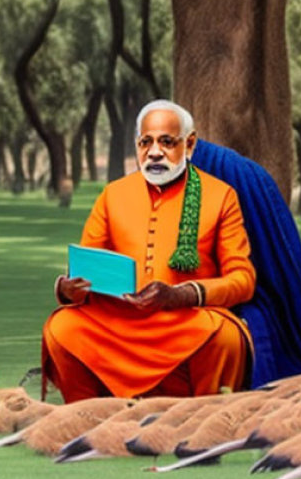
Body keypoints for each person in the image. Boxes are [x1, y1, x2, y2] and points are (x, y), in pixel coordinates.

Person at [42, 99, 256, 402]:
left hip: (184, 321)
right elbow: (88, 266)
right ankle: (89, 415)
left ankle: (201, 419)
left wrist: (181, 294)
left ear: (189, 144)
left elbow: (242, 280)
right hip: (119, 322)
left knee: (226, 338)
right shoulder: (113, 195)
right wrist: (69, 288)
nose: (155, 152)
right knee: (62, 327)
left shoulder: (220, 196)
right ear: (137, 145)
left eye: (167, 142)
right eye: (146, 142)